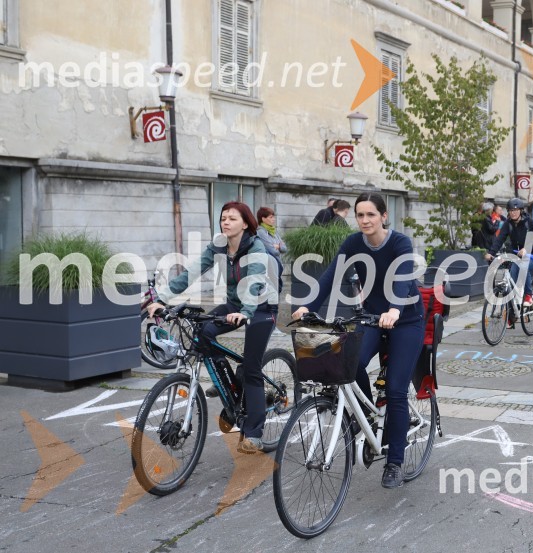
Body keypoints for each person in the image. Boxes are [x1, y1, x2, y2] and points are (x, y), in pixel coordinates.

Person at [291, 193, 424, 489]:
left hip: (406, 319)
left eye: (371, 215)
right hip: (374, 317)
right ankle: (367, 415)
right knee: (350, 362)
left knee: (396, 390)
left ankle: (394, 462)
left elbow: (402, 278)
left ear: (383, 216)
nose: (365, 220)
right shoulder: (353, 243)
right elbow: (330, 276)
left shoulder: (399, 242)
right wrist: (308, 305)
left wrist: (394, 309)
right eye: (360, 215)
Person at [148, 202, 278, 454]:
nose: (225, 222)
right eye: (223, 218)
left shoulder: (257, 248)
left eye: (232, 218)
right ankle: (228, 384)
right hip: (234, 302)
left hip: (261, 307)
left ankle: (254, 434)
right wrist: (162, 299)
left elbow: (253, 284)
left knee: (251, 368)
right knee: (203, 334)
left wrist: (245, 313)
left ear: (245, 223)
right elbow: (191, 273)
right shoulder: (219, 245)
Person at [485, 197, 533, 308]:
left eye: (515, 210)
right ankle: (511, 313)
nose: (513, 213)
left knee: (523, 266)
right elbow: (499, 239)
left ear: (521, 211)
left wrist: (526, 249)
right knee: (512, 280)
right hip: (516, 257)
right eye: (510, 211)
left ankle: (528, 295)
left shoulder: (529, 223)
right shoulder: (508, 224)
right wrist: (491, 252)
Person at [256, 206, 287, 292]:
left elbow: (285, 248)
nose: (274, 219)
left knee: (277, 291)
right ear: (263, 219)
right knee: (271, 293)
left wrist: (278, 246)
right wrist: (278, 246)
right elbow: (272, 251)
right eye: (271, 217)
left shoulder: (274, 231)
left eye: (274, 217)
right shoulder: (261, 232)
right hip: (268, 268)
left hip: (278, 266)